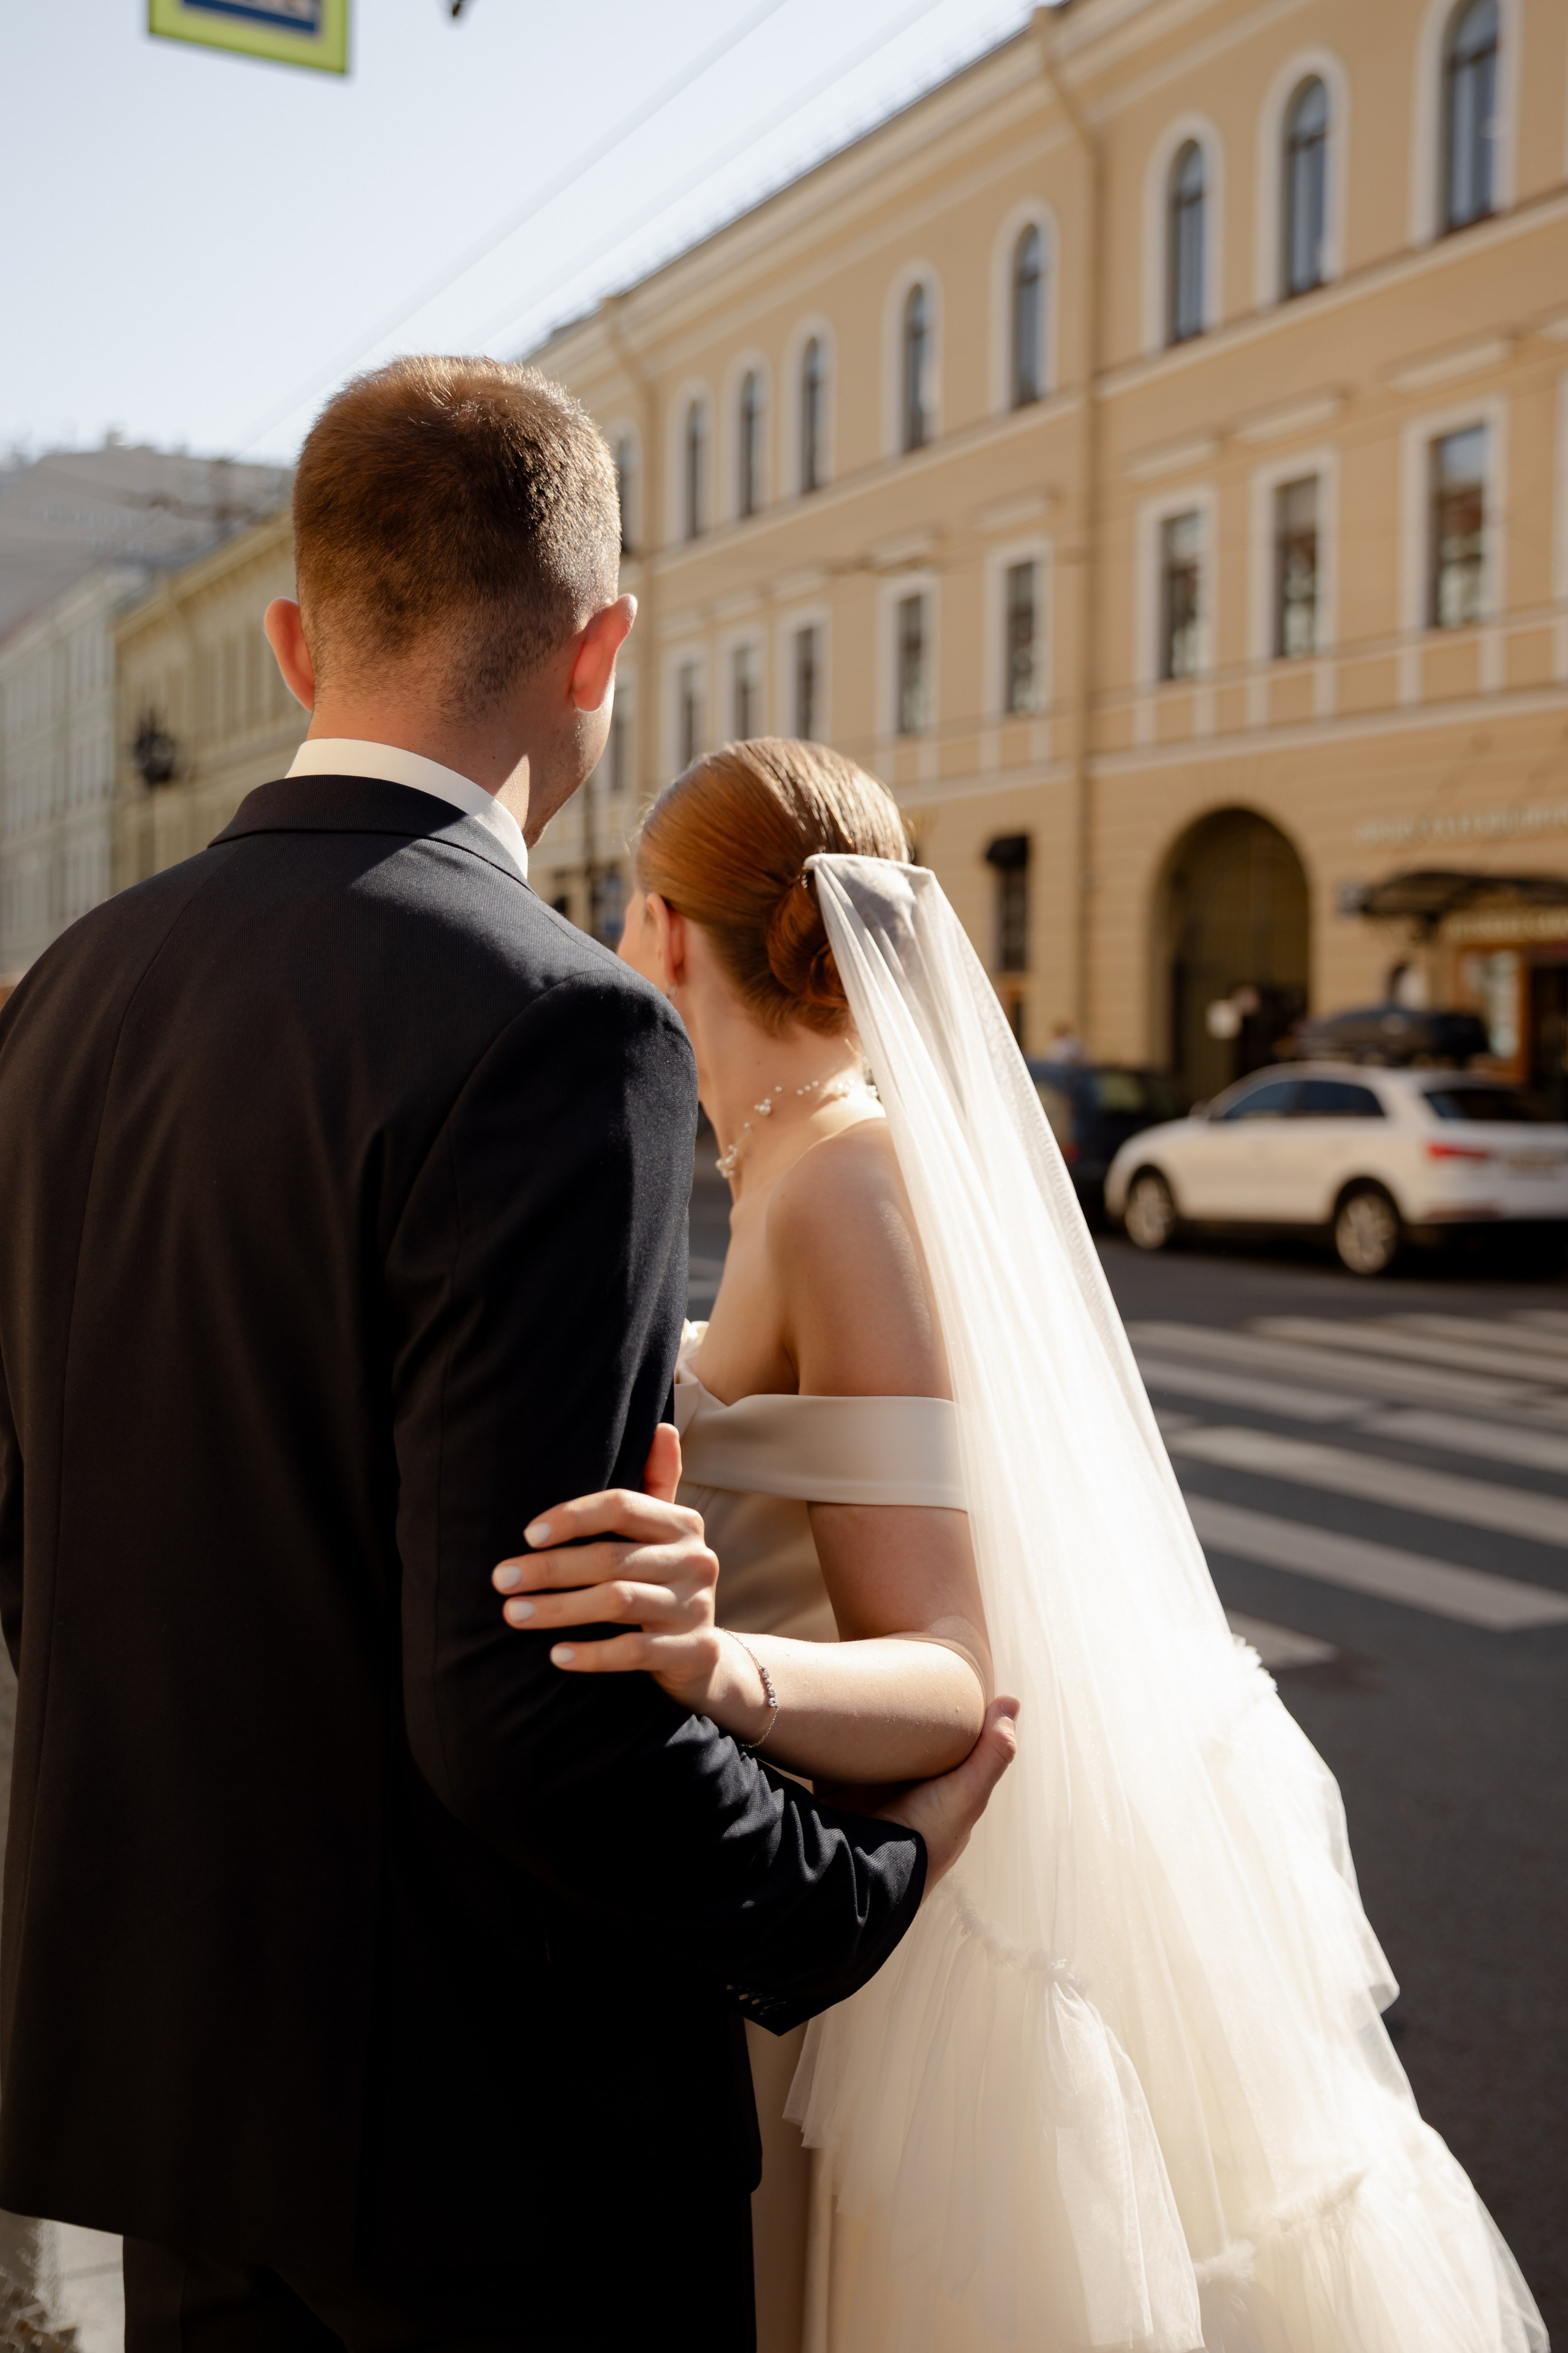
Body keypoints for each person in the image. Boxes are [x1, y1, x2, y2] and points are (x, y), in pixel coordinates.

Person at [0, 362, 1016, 2353]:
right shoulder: (559, 1024)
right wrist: (855, 1891)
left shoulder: (64, 1001)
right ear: (602, 649)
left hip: (170, 2097)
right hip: (494, 2145)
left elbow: (41, 1552)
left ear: (294, 636)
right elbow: (522, 1706)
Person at [505, 737, 1548, 2353]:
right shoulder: (794, 1155)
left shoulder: (841, 1177)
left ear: (661, 930)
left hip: (879, 1921)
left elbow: (952, 1675)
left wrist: (708, 1660)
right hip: (797, 1888)